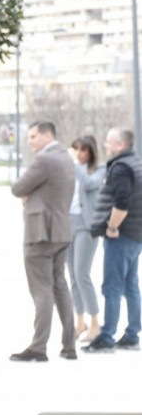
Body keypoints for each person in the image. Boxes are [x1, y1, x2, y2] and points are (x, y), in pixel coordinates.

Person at [10, 121, 76, 361]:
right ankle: (69, 345)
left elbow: (18, 188)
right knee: (60, 286)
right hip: (61, 230)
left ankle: (38, 347)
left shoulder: (44, 160)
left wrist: (29, 194)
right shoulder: (66, 158)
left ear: (48, 136)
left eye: (33, 136)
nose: (30, 141)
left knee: (42, 290)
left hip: (41, 233)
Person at [82, 127, 142, 353]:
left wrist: (112, 227)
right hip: (135, 234)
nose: (106, 145)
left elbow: (122, 202)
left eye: (109, 142)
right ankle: (132, 335)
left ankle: (106, 337)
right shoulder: (136, 162)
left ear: (121, 145)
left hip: (121, 235)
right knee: (131, 285)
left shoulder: (120, 167)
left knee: (112, 286)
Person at [66, 136, 105, 345]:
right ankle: (79, 321)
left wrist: (75, 164)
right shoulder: (69, 170)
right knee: (72, 276)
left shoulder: (98, 170)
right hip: (67, 224)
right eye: (76, 150)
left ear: (90, 152)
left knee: (82, 274)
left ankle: (95, 322)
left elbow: (90, 184)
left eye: (82, 150)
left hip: (86, 226)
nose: (79, 154)